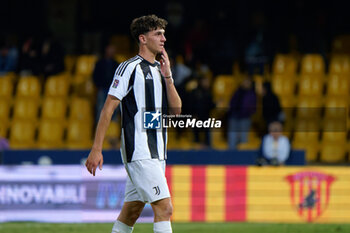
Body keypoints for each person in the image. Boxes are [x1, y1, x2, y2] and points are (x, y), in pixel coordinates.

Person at [85, 15, 182, 233]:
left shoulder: (160, 69)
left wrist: (168, 76)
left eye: (164, 34)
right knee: (165, 208)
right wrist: (96, 148)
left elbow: (176, 112)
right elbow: (108, 108)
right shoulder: (128, 68)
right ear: (143, 38)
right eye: (158, 33)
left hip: (158, 154)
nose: (164, 38)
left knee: (131, 212)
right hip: (139, 151)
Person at [227, 76, 256, 149]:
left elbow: (253, 107)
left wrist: (247, 113)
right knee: (232, 137)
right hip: (234, 116)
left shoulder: (252, 94)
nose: (246, 83)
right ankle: (231, 154)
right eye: (245, 82)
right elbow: (232, 102)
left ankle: (243, 156)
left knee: (243, 137)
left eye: (248, 82)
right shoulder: (237, 92)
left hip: (245, 118)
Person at [93, 44, 119, 124]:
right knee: (101, 107)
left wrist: (114, 88)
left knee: (114, 109)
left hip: (113, 91)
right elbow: (95, 76)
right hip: (103, 89)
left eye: (113, 50)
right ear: (106, 50)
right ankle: (99, 128)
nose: (111, 52)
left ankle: (112, 129)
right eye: (110, 50)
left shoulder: (116, 64)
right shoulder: (99, 63)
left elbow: (119, 79)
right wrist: (100, 85)